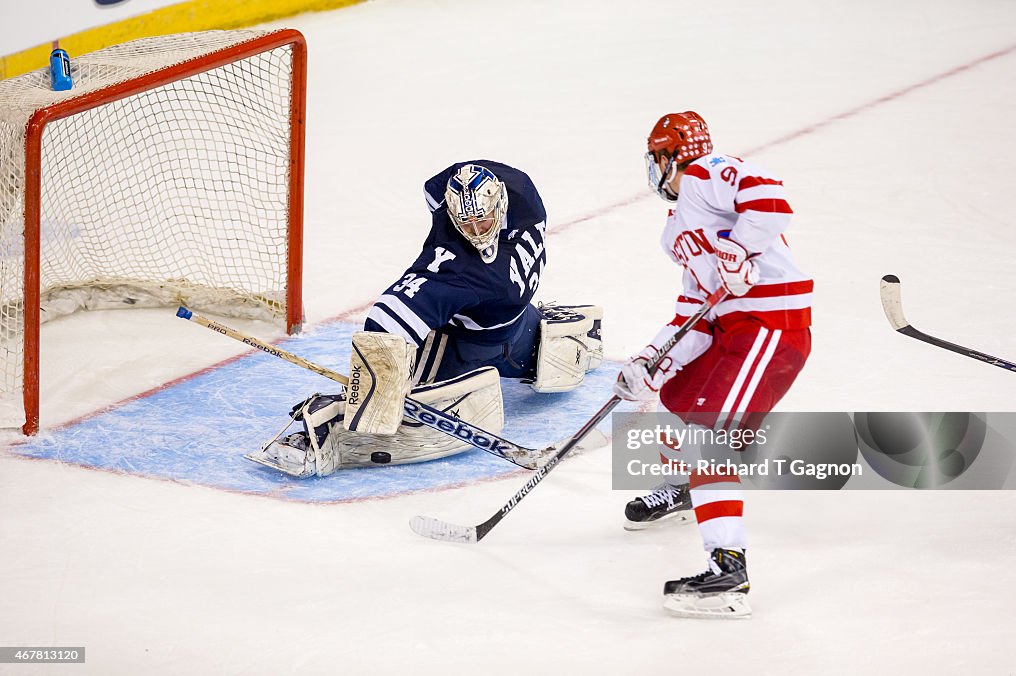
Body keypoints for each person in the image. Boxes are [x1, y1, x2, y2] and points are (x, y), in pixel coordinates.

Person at [248, 160, 602, 477]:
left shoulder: (459, 270)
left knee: (403, 416)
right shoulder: (522, 192)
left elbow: (386, 321)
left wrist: (380, 387)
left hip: (472, 348)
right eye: (466, 221)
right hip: (515, 327)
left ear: (499, 203)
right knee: (507, 343)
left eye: (483, 219)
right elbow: (442, 186)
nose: (476, 232)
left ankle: (327, 429)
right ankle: (568, 334)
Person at [614, 112, 812, 619]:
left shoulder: (705, 175)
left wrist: (740, 248)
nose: (654, 169)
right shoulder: (675, 231)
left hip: (769, 329)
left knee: (709, 437)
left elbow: (772, 198)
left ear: (670, 157)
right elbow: (693, 316)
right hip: (729, 332)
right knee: (677, 398)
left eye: (657, 159)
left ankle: (728, 571)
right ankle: (684, 489)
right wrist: (651, 360)